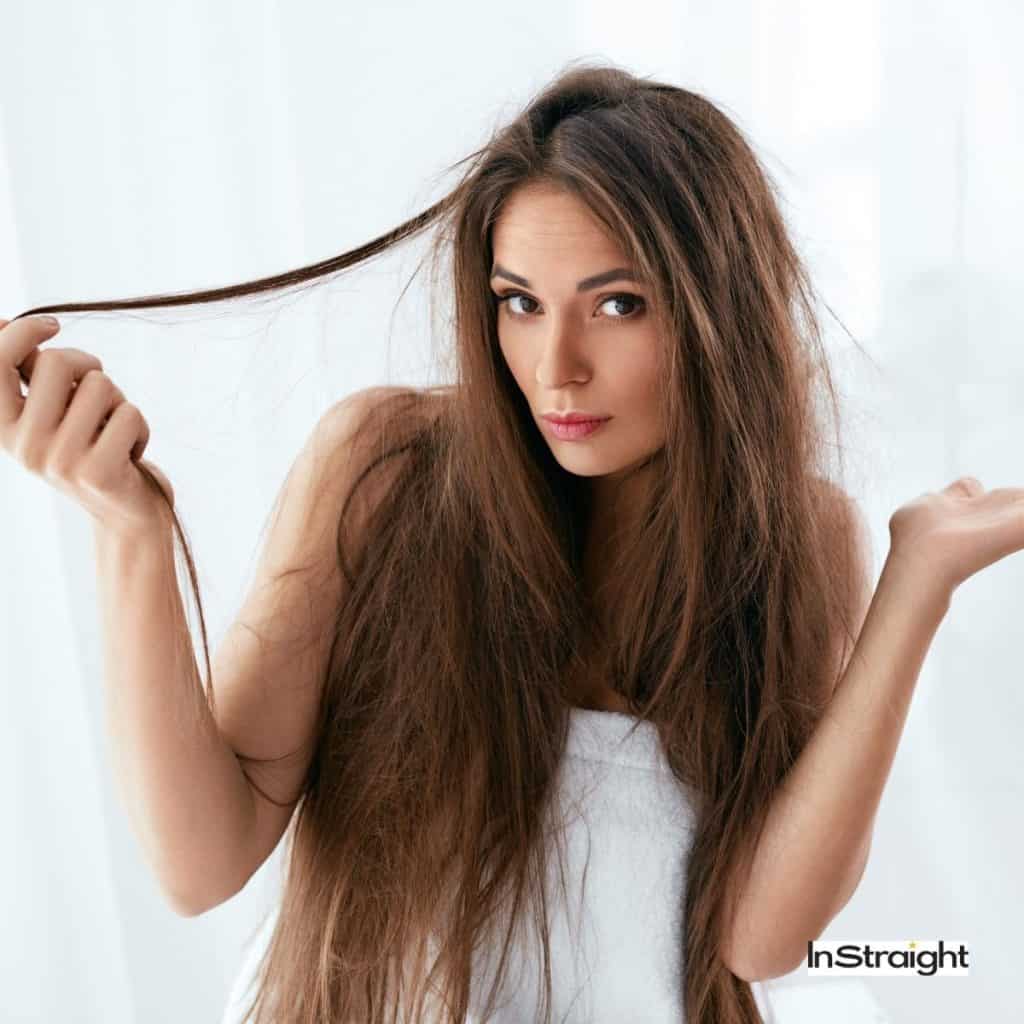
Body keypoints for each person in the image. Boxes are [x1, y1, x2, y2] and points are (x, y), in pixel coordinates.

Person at [4, 60, 1022, 1024]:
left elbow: (760, 940)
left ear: (720, 311)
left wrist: (916, 585)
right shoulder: (388, 468)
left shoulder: (794, 541)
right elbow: (200, 864)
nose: (555, 365)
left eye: (618, 304)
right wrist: (129, 531)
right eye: (520, 303)